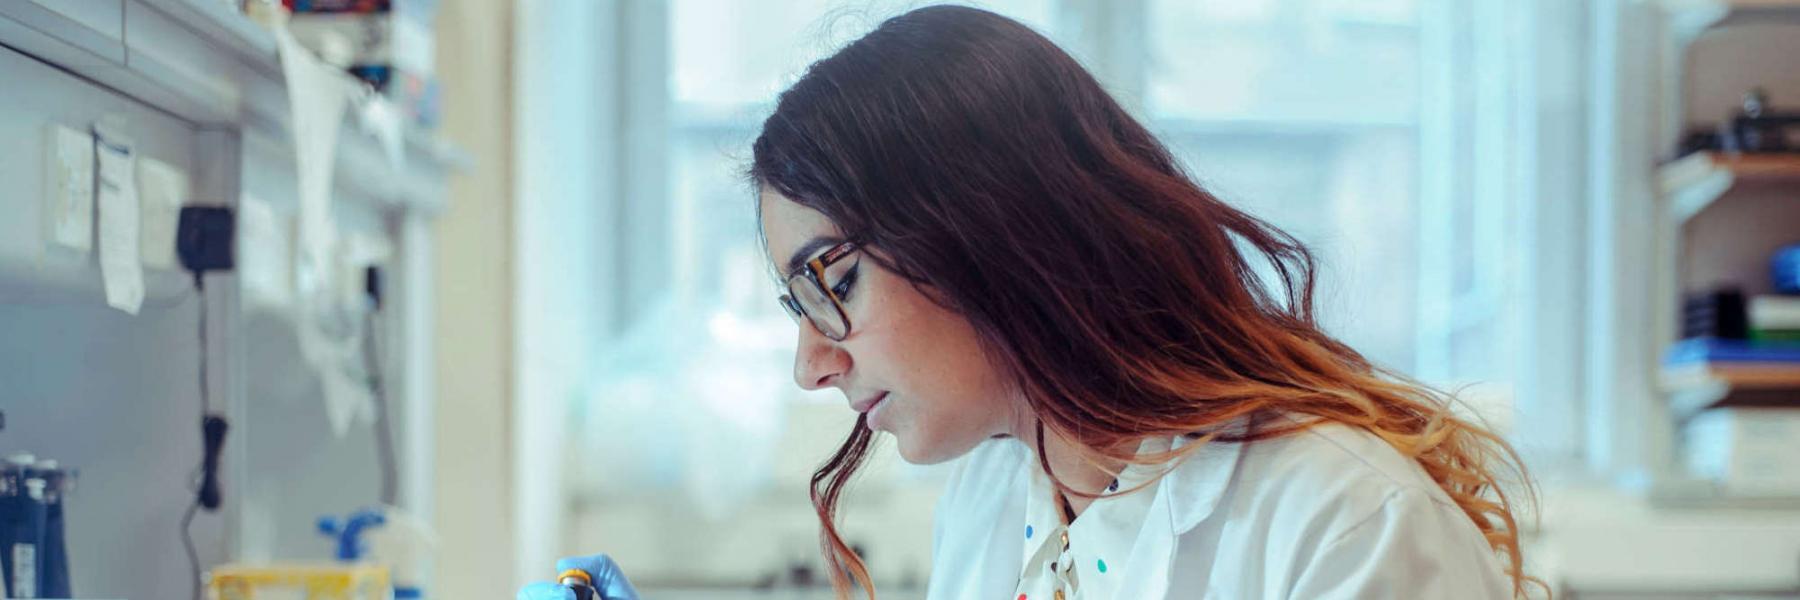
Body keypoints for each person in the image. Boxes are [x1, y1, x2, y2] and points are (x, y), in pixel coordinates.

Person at [521, 5, 1538, 599]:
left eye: (832, 281)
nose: (811, 363)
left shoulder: (1342, 523)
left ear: (984, 227)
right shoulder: (997, 502)